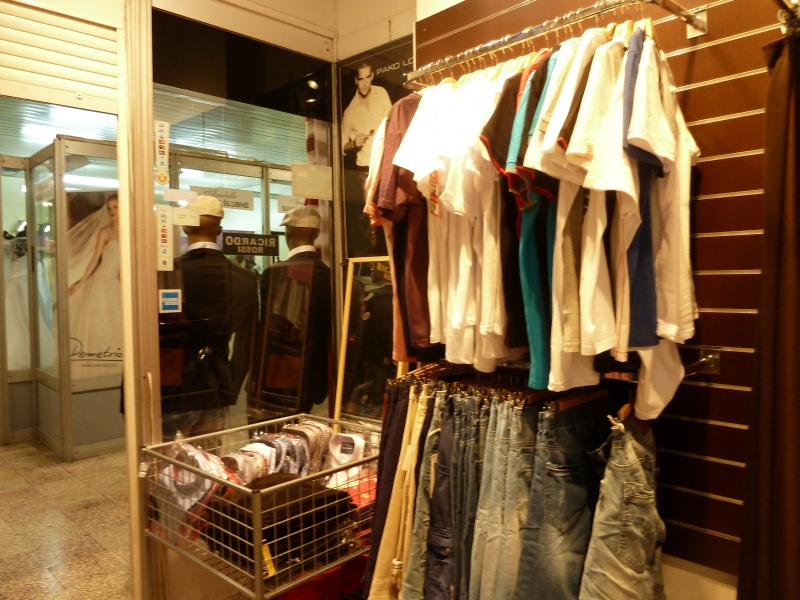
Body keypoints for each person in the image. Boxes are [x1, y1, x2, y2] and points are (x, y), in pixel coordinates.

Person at [159, 195, 258, 439]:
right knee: (208, 458)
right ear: (219, 231)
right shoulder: (245, 279)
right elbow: (246, 345)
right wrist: (229, 388)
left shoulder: (166, 274)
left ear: (186, 227)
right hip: (215, 386)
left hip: (169, 388)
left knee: (163, 458)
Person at [255, 206, 331, 414]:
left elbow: (269, 330)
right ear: (316, 234)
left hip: (280, 373)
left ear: (287, 234)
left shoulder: (274, 273)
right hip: (314, 375)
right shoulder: (330, 275)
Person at [67, 192, 123, 377]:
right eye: (109, 208)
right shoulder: (105, 232)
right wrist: (80, 282)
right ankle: (100, 370)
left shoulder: (128, 234)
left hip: (116, 283)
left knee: (115, 325)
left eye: (115, 207)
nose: (112, 211)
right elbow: (95, 259)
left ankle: (117, 369)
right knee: (100, 324)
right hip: (101, 282)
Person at [341, 62, 392, 168]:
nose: (365, 84)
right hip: (365, 167)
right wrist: (353, 144)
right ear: (356, 80)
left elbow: (392, 123)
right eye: (361, 79)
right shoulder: (350, 112)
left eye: (367, 77)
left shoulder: (382, 93)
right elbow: (342, 146)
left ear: (372, 76)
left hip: (385, 162)